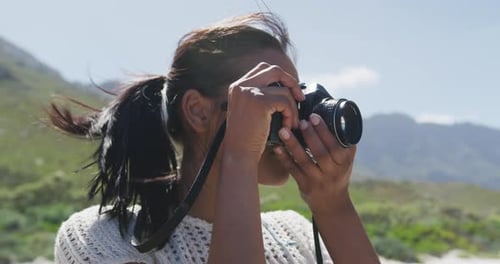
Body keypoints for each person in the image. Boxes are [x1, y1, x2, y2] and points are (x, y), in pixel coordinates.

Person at [50, 12, 380, 264]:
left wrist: (333, 206)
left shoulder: (293, 234)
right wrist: (239, 160)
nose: (291, 115)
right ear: (198, 111)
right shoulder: (101, 238)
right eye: (273, 95)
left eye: (296, 99)